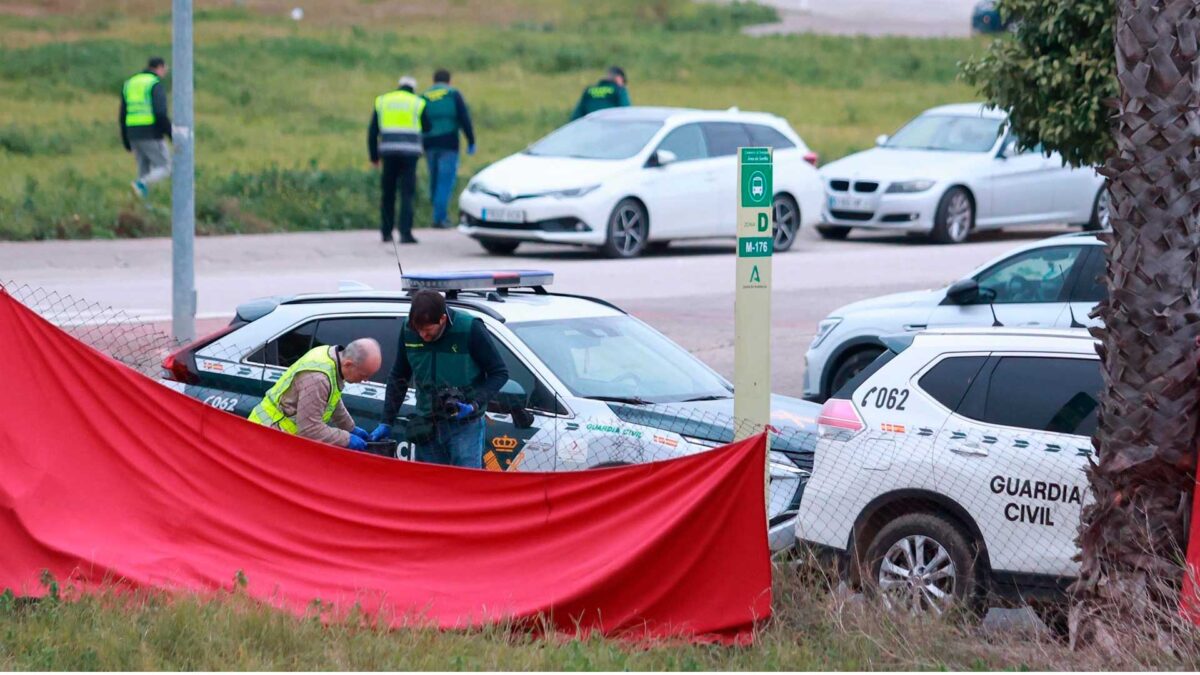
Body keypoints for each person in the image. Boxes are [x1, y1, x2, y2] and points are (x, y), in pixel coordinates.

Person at [368, 290, 508, 468]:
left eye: (427, 330)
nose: (422, 336)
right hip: (426, 425)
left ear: (442, 319)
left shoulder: (470, 328)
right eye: (418, 330)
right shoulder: (408, 330)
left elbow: (499, 372)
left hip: (464, 425)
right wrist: (387, 421)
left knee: (466, 486)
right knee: (430, 487)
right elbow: (399, 376)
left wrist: (474, 404)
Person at [248, 338, 383, 452]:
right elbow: (309, 430)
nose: (366, 380)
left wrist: (350, 427)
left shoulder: (329, 356)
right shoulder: (318, 378)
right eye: (364, 375)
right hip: (268, 436)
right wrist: (347, 438)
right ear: (349, 364)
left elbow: (332, 398)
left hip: (277, 436)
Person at [368, 75, 431, 244]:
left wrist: (374, 157)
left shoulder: (383, 101)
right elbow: (428, 126)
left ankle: (386, 232)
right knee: (407, 194)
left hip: (388, 154)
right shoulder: (417, 103)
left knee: (388, 194)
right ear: (413, 88)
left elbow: (373, 131)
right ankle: (405, 233)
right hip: (410, 155)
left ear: (399, 85)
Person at [422, 69, 476, 229]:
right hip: (449, 144)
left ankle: (436, 212)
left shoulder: (424, 96)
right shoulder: (453, 94)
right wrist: (471, 140)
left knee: (434, 179)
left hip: (429, 143)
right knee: (444, 182)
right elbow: (464, 118)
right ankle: (440, 218)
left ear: (433, 80)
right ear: (449, 81)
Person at [120, 57, 172, 199]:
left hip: (133, 134)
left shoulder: (130, 83)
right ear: (159, 68)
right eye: (165, 69)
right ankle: (141, 184)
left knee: (144, 170)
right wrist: (171, 134)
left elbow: (123, 113)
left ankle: (142, 205)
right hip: (151, 134)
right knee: (165, 167)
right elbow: (160, 113)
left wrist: (125, 139)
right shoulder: (154, 84)